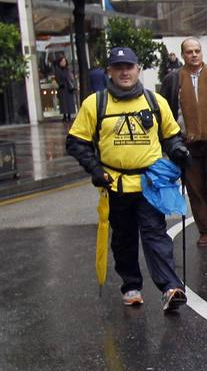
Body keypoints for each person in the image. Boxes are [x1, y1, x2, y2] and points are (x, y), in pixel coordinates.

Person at [65, 46, 190, 312]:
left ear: (138, 70)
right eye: (118, 67)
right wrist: (95, 169)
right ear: (109, 71)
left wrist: (177, 149)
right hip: (115, 185)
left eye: (129, 67)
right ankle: (131, 285)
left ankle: (170, 287)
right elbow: (76, 142)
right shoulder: (95, 104)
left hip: (150, 184)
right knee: (123, 238)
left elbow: (171, 135)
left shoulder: (155, 101)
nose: (124, 72)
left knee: (155, 235)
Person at [164, 38, 207, 247]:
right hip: (188, 142)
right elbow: (166, 111)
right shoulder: (173, 79)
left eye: (197, 51)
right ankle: (205, 230)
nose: (194, 55)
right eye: (189, 52)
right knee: (195, 188)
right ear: (183, 54)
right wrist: (172, 141)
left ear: (202, 53)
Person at [53, 53, 77, 121]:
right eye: (62, 61)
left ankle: (69, 115)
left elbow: (71, 77)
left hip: (69, 88)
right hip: (62, 88)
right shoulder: (58, 70)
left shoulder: (67, 69)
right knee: (63, 102)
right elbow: (57, 78)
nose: (63, 63)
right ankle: (64, 115)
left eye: (64, 61)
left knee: (69, 102)